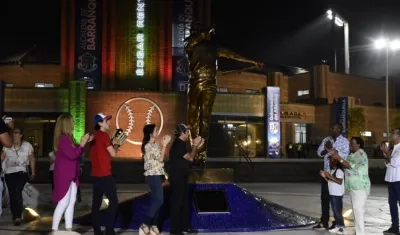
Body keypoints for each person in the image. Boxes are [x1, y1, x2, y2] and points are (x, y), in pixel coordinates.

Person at [51, 114, 92, 234]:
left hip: (72, 175)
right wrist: (83, 143)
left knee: (71, 201)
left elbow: (76, 153)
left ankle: (68, 228)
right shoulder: (63, 139)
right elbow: (73, 155)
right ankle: (54, 229)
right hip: (64, 175)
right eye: (73, 122)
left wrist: (83, 143)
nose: (74, 124)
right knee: (63, 202)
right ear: (67, 124)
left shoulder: (69, 138)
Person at [90, 113, 127, 235]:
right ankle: (109, 230)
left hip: (95, 175)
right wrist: (116, 144)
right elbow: (113, 154)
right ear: (100, 123)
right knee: (114, 202)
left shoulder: (94, 136)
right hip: (105, 175)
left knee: (96, 204)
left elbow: (101, 152)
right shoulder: (104, 136)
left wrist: (112, 142)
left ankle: (97, 231)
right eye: (106, 121)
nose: (109, 123)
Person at [168, 123, 204, 235]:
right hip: (177, 176)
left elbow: (191, 157)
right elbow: (190, 158)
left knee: (184, 202)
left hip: (183, 175)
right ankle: (174, 229)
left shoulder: (182, 143)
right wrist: (195, 144)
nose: (188, 133)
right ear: (182, 132)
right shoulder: (178, 144)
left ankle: (184, 226)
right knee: (178, 202)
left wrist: (196, 147)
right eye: (187, 131)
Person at [331, 137, 370, 235]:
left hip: (360, 187)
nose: (351, 145)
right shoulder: (352, 155)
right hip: (353, 187)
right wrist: (337, 158)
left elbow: (350, 166)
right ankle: (358, 231)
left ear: (359, 145)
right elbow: (345, 164)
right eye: (350, 144)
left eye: (353, 143)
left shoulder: (360, 154)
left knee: (359, 211)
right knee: (356, 211)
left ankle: (361, 233)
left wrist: (339, 158)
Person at [314, 123, 349, 230]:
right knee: (324, 199)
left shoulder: (344, 141)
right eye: (331, 128)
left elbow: (344, 155)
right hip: (326, 173)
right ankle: (324, 221)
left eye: (333, 128)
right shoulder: (327, 139)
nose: (331, 129)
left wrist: (332, 150)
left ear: (339, 129)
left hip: (336, 173)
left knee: (335, 200)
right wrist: (326, 149)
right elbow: (319, 153)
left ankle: (337, 222)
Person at [139, 124, 171, 235]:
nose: (158, 131)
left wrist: (162, 145)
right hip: (153, 175)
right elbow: (161, 159)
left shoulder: (156, 145)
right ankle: (144, 224)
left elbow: (160, 161)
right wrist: (165, 145)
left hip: (158, 174)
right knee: (159, 201)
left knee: (155, 201)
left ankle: (153, 226)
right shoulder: (148, 146)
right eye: (156, 130)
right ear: (150, 133)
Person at [1, 127, 35, 226]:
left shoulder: (27, 145)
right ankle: (15, 215)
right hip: (9, 173)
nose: (14, 134)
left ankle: (18, 216)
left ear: (21, 135)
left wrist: (33, 172)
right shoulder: (7, 146)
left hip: (21, 173)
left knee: (17, 191)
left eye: (16, 133)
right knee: (12, 194)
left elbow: (32, 159)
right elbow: (2, 158)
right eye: (12, 133)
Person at [381, 128, 400, 235]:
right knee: (392, 204)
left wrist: (386, 153)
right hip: (391, 180)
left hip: (398, 180)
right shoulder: (394, 149)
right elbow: (388, 163)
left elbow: (395, 162)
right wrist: (386, 154)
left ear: (398, 135)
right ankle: (395, 227)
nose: (391, 135)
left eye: (393, 133)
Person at [320, 157, 345, 234]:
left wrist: (329, 176)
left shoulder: (339, 171)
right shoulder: (333, 170)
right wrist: (325, 177)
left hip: (337, 194)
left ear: (336, 162)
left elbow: (339, 181)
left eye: (331, 161)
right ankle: (337, 226)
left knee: (338, 211)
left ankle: (342, 227)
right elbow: (330, 182)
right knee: (334, 211)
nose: (330, 163)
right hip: (332, 193)